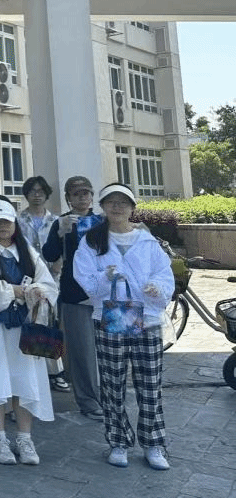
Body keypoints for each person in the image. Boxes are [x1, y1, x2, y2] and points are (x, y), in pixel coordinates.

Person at [73, 183, 174, 471]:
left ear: (132, 208)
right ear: (103, 206)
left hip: (147, 318)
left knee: (150, 383)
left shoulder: (147, 242)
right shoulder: (92, 240)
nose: (117, 207)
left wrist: (157, 288)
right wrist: (105, 277)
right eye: (111, 202)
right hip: (111, 316)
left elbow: (164, 273)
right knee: (112, 383)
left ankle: (153, 443)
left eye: (123, 202)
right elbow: (85, 280)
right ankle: (118, 441)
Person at [0, 198, 58, 466]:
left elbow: (48, 283)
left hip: (25, 329)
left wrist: (37, 291)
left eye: (7, 221)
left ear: (14, 223)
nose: (3, 227)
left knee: (25, 380)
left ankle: (25, 438)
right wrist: (11, 291)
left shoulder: (27, 251)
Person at [42, 176, 105, 419]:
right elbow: (49, 254)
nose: (82, 198)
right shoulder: (62, 222)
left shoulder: (103, 221)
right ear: (68, 197)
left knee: (107, 349)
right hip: (75, 295)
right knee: (82, 352)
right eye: (76, 194)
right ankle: (89, 402)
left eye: (86, 193)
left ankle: (108, 396)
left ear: (92, 196)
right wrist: (60, 233)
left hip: (104, 293)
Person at [17, 176, 67, 393]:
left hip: (52, 277)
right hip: (27, 279)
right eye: (32, 191)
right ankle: (33, 370)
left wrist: (58, 264)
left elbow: (64, 247)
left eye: (40, 191)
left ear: (46, 194)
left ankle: (56, 371)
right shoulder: (18, 220)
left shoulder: (56, 221)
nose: (36, 195)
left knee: (52, 322)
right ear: (26, 194)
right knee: (32, 321)